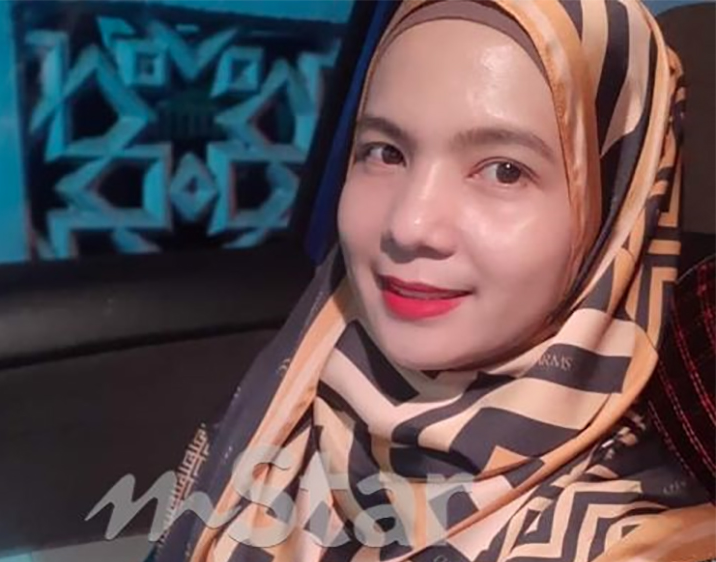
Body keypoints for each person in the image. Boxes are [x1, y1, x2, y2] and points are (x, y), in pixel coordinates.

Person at [153, 0, 716, 560]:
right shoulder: (286, 406)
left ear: (613, 213)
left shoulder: (651, 541)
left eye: (505, 171)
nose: (410, 224)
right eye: (385, 153)